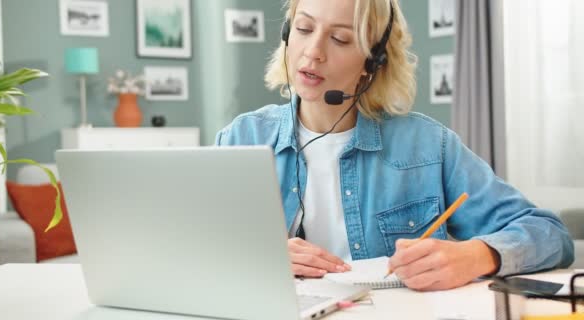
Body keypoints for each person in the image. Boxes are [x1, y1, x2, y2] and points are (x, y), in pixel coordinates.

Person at [215, 0, 574, 291]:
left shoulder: (429, 146)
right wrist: (260, 257)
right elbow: (193, 251)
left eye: (339, 39)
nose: (313, 52)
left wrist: (477, 255)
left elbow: (550, 234)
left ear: (373, 62)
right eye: (304, 29)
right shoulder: (240, 139)